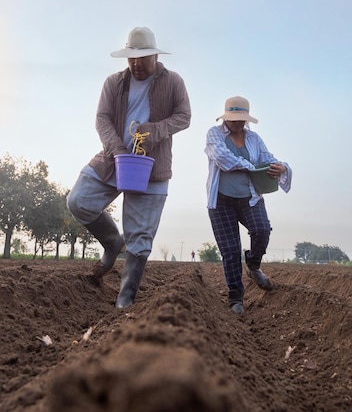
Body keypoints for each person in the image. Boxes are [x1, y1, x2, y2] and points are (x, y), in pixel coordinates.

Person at [67, 26, 191, 308]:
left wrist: (154, 132)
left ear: (155, 56)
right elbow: (102, 120)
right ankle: (112, 241)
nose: (136, 64)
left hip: (152, 166)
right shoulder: (114, 83)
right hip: (113, 159)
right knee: (78, 201)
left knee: (140, 236)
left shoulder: (173, 82)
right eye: (131, 58)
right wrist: (118, 149)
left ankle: (125, 300)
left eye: (143, 58)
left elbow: (184, 117)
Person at [205, 96, 292, 316]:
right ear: (225, 117)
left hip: (250, 197)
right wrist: (252, 166)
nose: (237, 122)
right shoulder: (214, 134)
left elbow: (268, 158)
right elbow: (222, 158)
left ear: (247, 119)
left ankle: (253, 265)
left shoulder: (254, 138)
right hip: (221, 200)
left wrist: (280, 167)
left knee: (261, 229)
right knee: (231, 251)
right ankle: (236, 297)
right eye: (233, 118)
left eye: (241, 119)